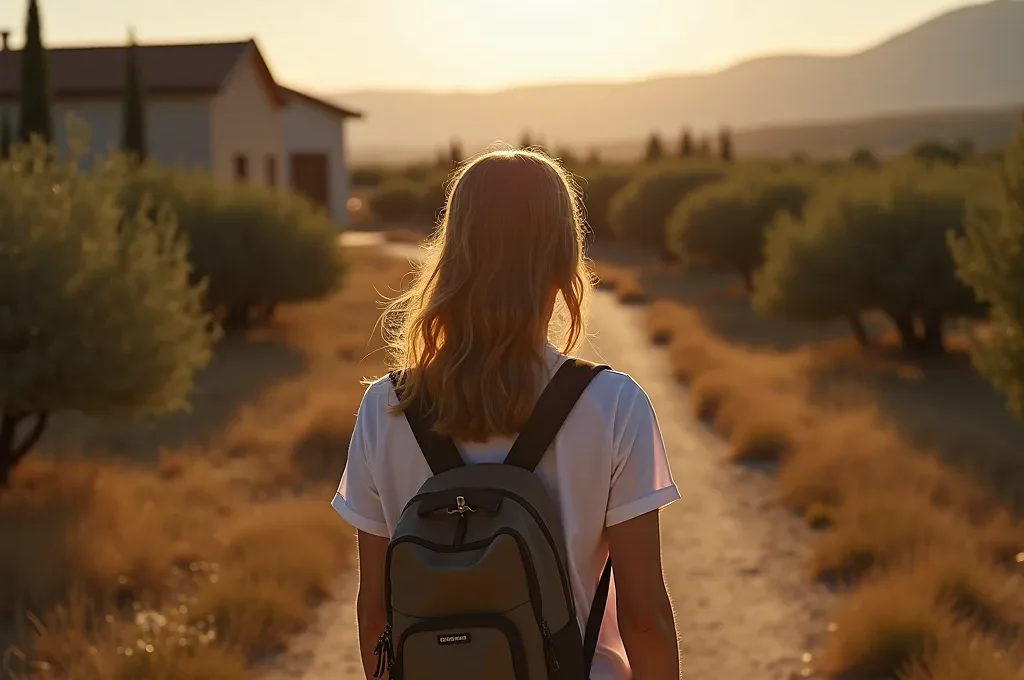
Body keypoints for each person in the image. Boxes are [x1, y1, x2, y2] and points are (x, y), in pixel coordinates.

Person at [332, 148, 680, 680]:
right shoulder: (613, 404)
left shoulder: (386, 407)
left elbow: (375, 612)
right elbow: (645, 617)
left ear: (452, 254)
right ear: (565, 261)